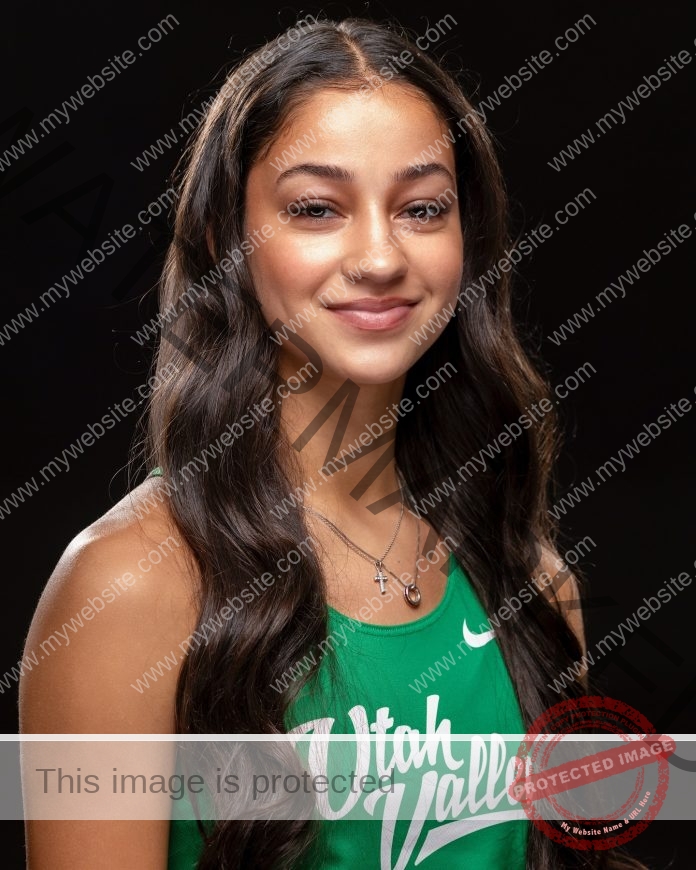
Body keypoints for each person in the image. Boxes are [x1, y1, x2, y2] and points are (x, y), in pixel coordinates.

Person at [20, 16, 648, 870]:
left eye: (423, 208)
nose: (381, 255)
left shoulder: (533, 586)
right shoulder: (127, 586)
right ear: (223, 242)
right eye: (317, 208)